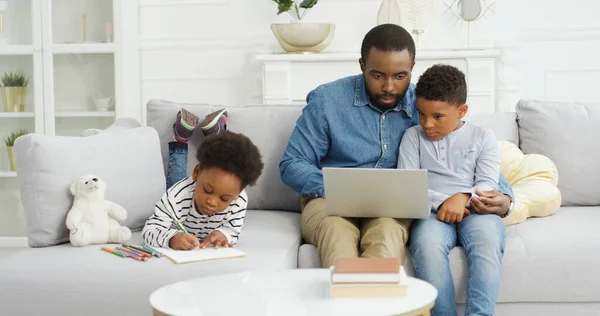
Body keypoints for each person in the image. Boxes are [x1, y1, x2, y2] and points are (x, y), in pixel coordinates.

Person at [279, 23, 514, 269]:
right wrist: (340, 188)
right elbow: (292, 164)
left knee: (388, 236)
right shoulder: (327, 101)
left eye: (400, 76)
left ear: (412, 68)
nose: (389, 86)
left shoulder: (426, 106)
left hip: (390, 207)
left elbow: (470, 152)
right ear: (362, 66)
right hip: (328, 200)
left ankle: (378, 305)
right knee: (337, 234)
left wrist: (506, 197)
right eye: (378, 75)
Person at [398, 64, 505, 315]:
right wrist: (445, 201)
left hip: (477, 210)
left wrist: (464, 197)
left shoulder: (483, 137)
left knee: (487, 242)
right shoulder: (412, 137)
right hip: (432, 212)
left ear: (461, 110)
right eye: (421, 114)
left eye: (437, 116)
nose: (427, 123)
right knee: (426, 246)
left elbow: (488, 183)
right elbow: (408, 185)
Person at [142, 129, 264, 250]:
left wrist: (223, 234)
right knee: (175, 176)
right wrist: (172, 238)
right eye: (207, 190)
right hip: (180, 208)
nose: (212, 202)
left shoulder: (239, 200)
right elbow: (148, 233)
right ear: (196, 172)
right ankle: (181, 139)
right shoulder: (177, 196)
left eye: (224, 199)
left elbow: (233, 230)